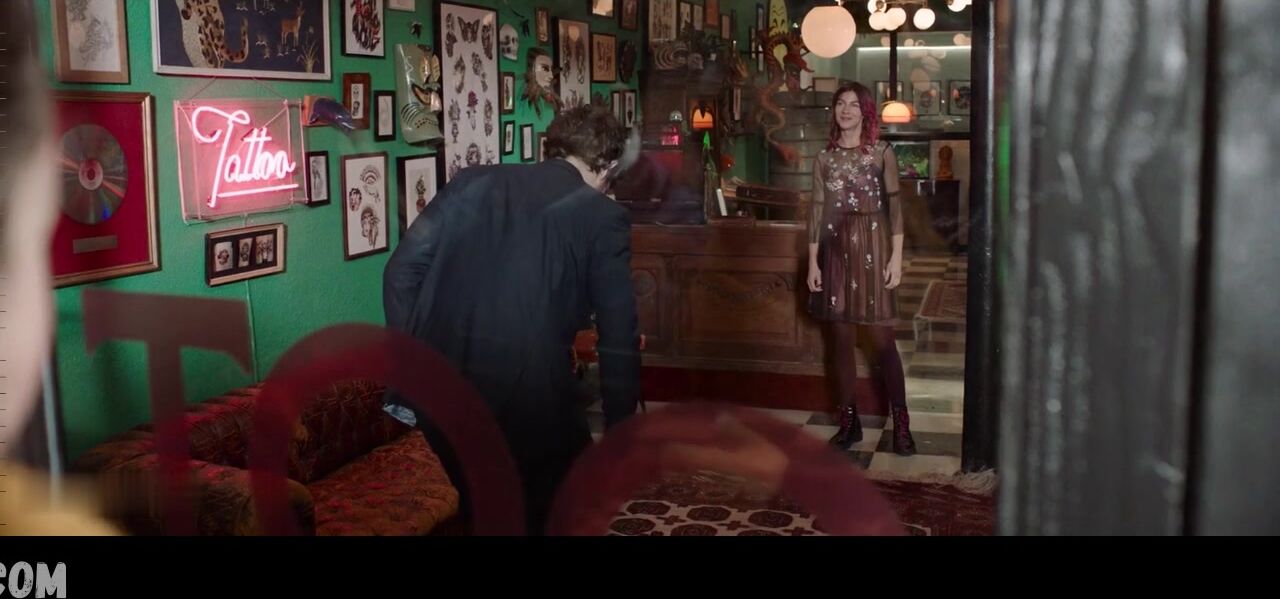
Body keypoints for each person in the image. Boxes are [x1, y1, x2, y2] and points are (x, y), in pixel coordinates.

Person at [383, 105, 642, 535]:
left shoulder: (471, 182)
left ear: (551, 148)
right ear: (607, 165)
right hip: (534, 405)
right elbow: (618, 335)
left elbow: (400, 273)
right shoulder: (601, 216)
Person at [806, 82, 916, 456]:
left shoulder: (881, 153)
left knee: (883, 343)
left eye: (854, 104)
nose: (846, 110)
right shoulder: (824, 158)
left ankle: (902, 425)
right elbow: (816, 212)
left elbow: (896, 207)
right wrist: (812, 262)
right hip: (835, 252)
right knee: (840, 342)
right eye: (840, 104)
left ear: (865, 112)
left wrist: (896, 257)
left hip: (874, 246)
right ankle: (849, 424)